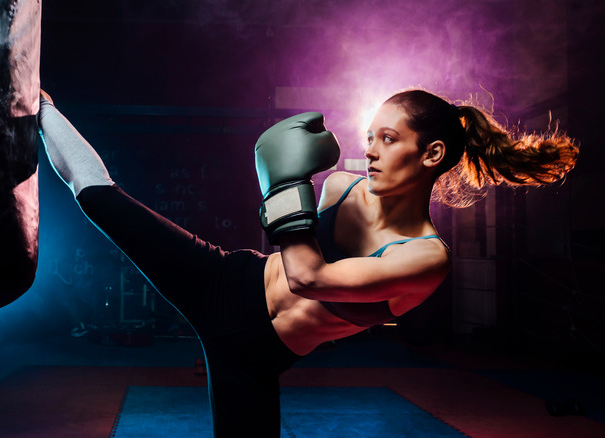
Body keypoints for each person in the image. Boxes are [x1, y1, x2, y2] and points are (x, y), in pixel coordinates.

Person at [37, 88, 578, 437]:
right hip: (226, 279)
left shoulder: (425, 257)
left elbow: (309, 277)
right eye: (369, 138)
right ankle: (42, 108)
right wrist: (286, 192)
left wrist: (284, 182)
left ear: (431, 155)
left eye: (388, 140)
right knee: (101, 199)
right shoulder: (341, 186)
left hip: (255, 357)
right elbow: (283, 253)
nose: (369, 151)